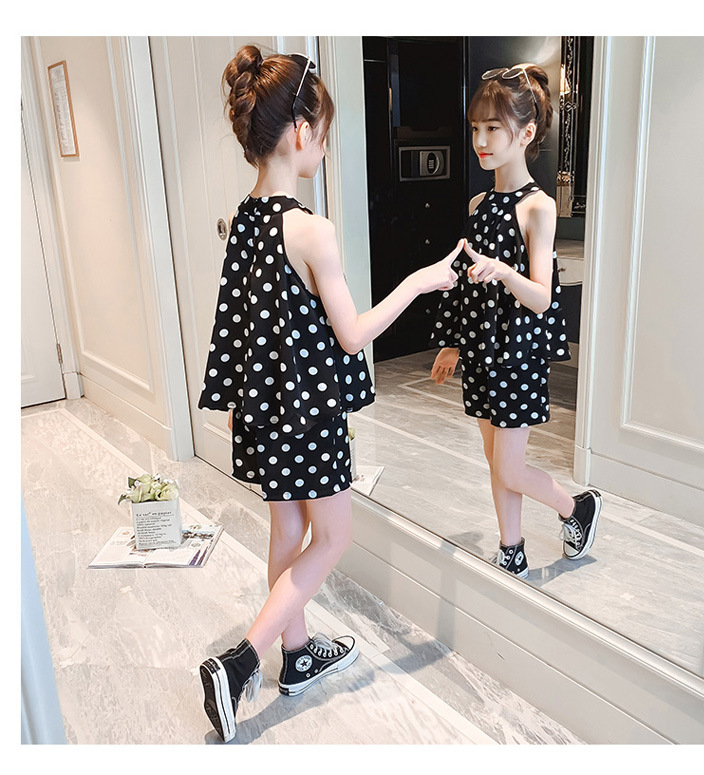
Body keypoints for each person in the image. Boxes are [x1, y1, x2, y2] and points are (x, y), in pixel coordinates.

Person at [196, 45, 461, 743]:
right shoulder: (311, 229)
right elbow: (352, 334)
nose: (325, 145)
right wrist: (419, 282)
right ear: (300, 131)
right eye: (324, 131)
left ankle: (297, 653)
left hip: (263, 411)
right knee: (333, 535)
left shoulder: (245, 219)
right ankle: (241, 660)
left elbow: (239, 328)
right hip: (309, 415)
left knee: (288, 530)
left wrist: (238, 406)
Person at [429, 63, 602, 580]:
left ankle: (577, 508)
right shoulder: (478, 203)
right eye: (475, 128)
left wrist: (505, 271)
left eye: (493, 128)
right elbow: (467, 284)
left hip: (519, 354)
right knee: (495, 459)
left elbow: (543, 298)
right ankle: (512, 547)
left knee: (509, 464)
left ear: (525, 134)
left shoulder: (538, 208)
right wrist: (453, 344)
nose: (480, 141)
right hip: (482, 348)